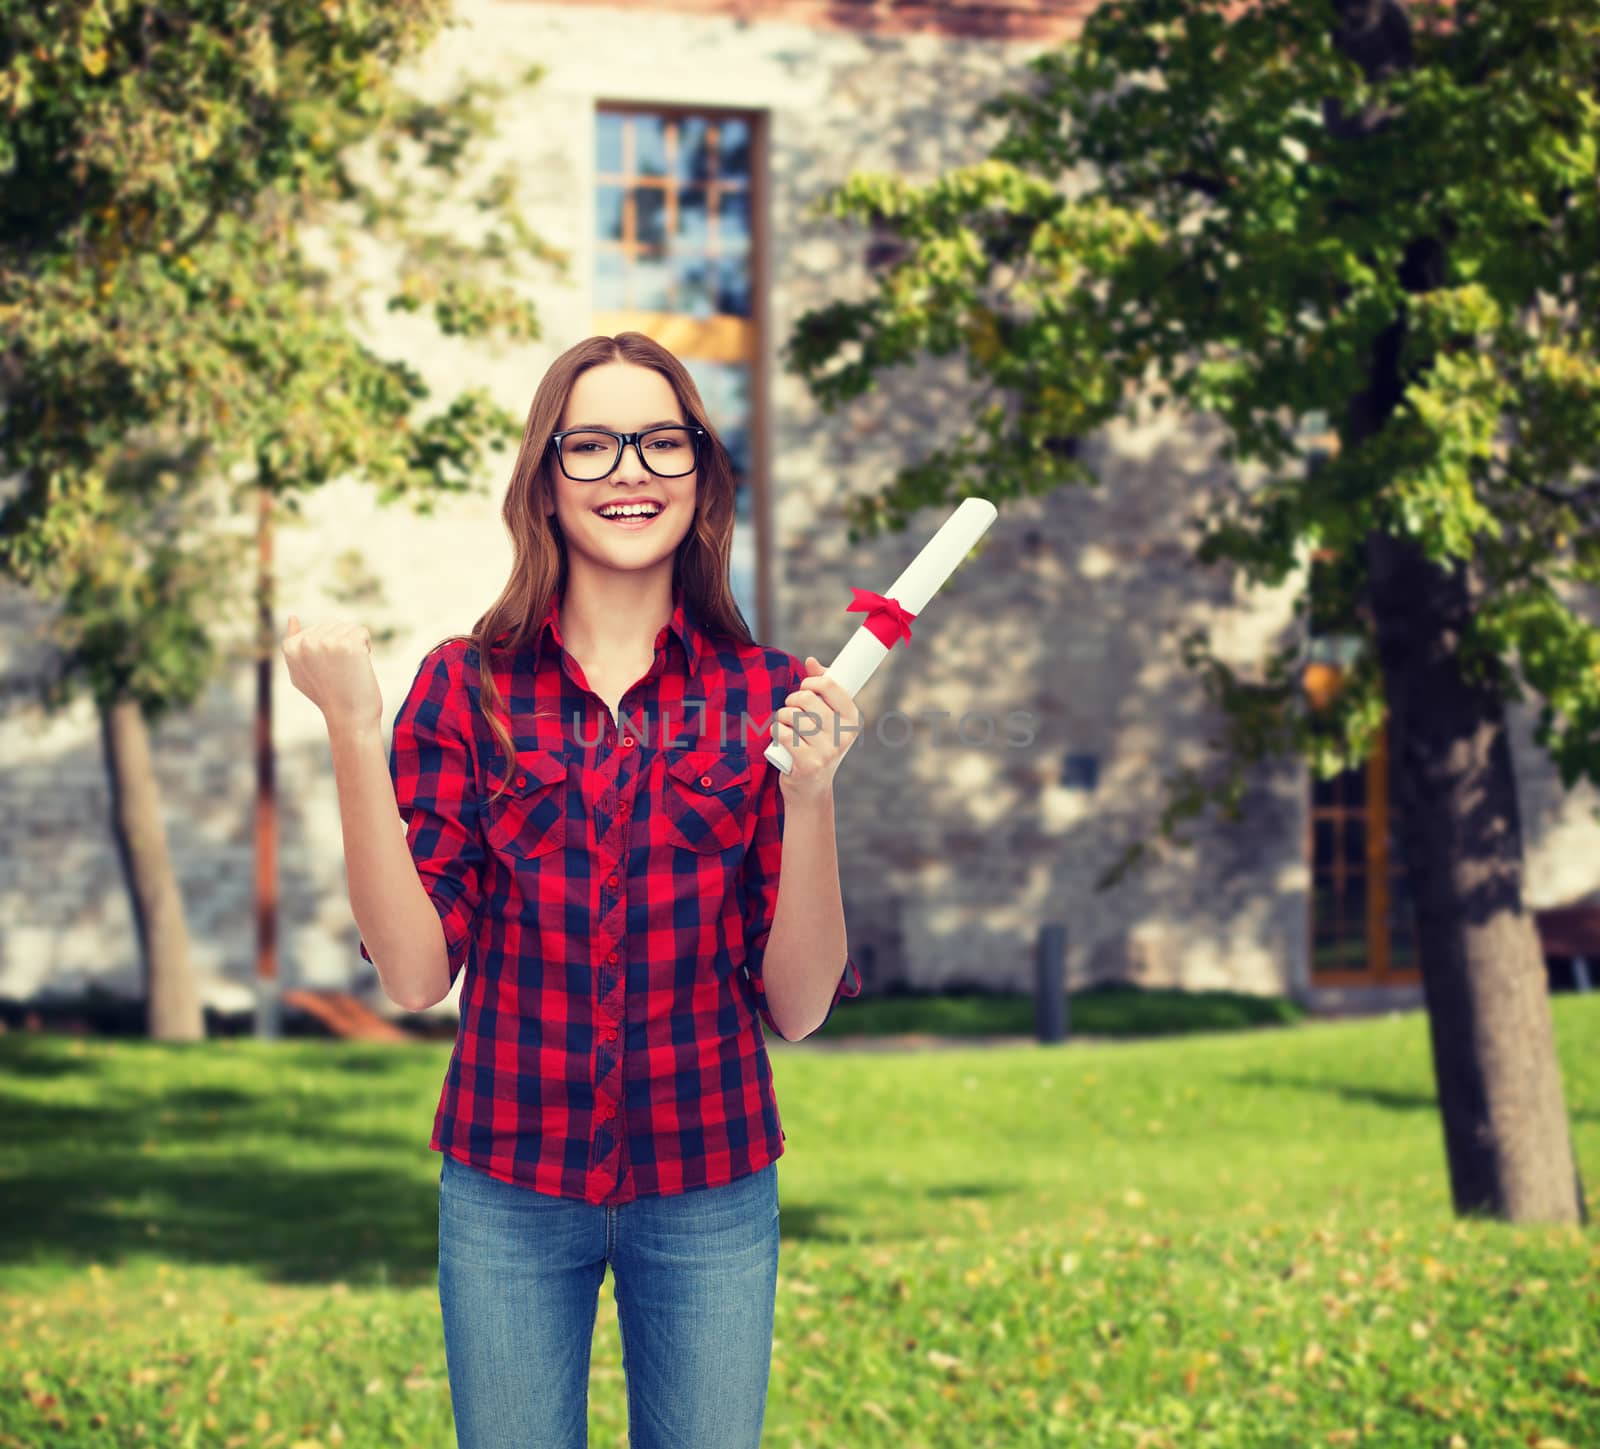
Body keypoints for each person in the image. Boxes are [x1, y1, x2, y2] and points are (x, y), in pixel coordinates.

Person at [282, 331, 863, 1448]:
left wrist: (813, 797)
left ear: (702, 481)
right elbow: (411, 975)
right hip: (507, 1184)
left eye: (660, 442)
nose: (629, 471)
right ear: (543, 486)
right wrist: (354, 729)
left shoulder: (775, 696)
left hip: (710, 1184)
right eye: (589, 445)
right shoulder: (465, 684)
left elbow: (796, 1005)